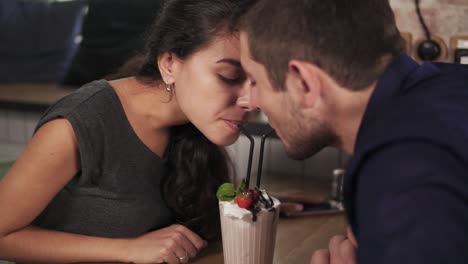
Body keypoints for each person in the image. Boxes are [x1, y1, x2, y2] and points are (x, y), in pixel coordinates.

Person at [0, 0, 254, 263]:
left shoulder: (193, 120)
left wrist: (250, 204)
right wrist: (129, 249)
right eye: (229, 76)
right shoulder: (78, 124)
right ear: (169, 63)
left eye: (257, 80)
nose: (251, 100)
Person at [238, 0, 468, 264]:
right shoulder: (450, 84)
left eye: (255, 81)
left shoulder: (401, 172)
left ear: (303, 83)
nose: (251, 101)